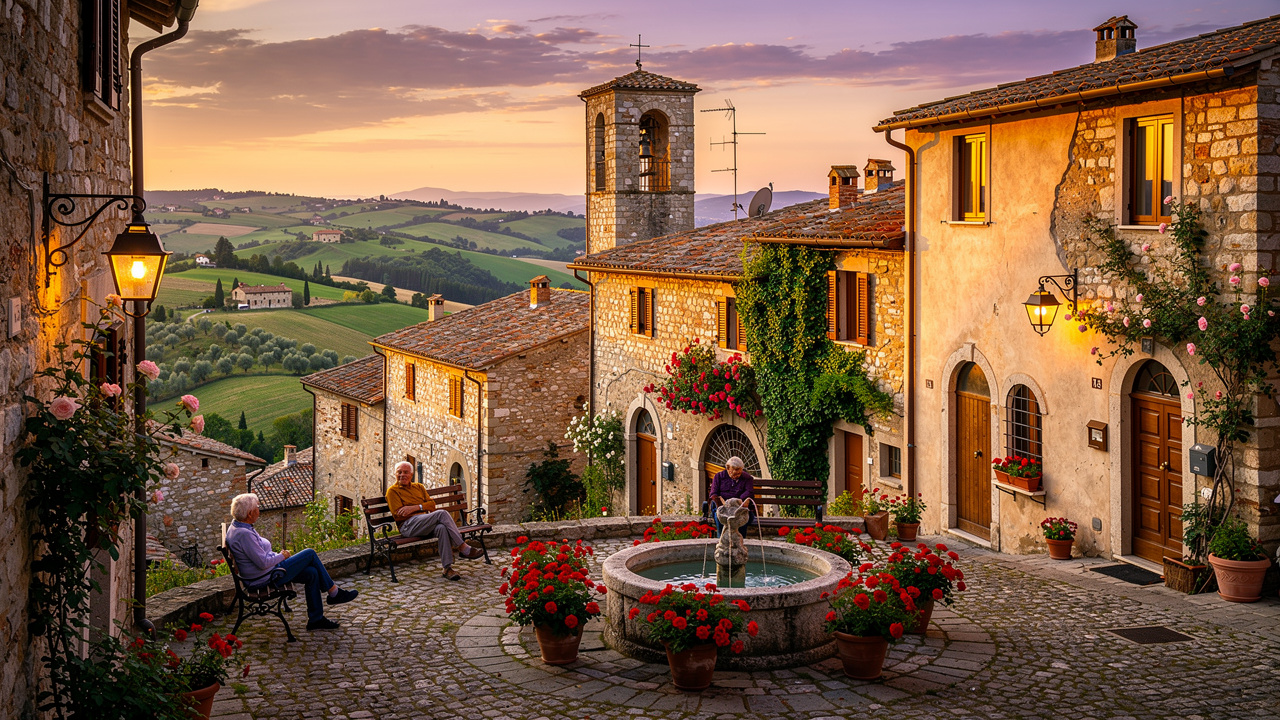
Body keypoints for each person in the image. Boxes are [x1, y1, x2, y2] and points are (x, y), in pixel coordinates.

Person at [225, 493, 357, 631]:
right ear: (250, 513)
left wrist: (278, 556)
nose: (259, 509)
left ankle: (316, 619)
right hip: (265, 577)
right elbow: (263, 563)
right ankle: (334, 593)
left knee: (312, 573)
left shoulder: (239, 526)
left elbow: (259, 556)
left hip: (265, 572)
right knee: (309, 553)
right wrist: (282, 556)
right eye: (257, 507)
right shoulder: (244, 534)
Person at [385, 461, 484, 581]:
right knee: (442, 513)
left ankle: (447, 568)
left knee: (442, 528)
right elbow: (399, 514)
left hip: (424, 523)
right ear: (395, 474)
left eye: (405, 472)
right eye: (399, 472)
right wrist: (422, 507)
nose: (402, 475)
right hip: (408, 526)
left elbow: (432, 505)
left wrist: (415, 507)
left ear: (411, 474)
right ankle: (462, 546)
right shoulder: (392, 491)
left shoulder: (419, 487)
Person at [708, 456, 757, 535]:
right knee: (720, 516)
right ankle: (722, 539)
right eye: (734, 473)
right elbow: (713, 493)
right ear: (728, 468)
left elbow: (749, 492)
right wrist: (722, 504)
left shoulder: (747, 478)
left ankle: (740, 540)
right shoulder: (719, 476)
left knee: (742, 517)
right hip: (723, 507)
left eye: (739, 473)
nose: (737, 475)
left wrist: (737, 501)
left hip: (739, 508)